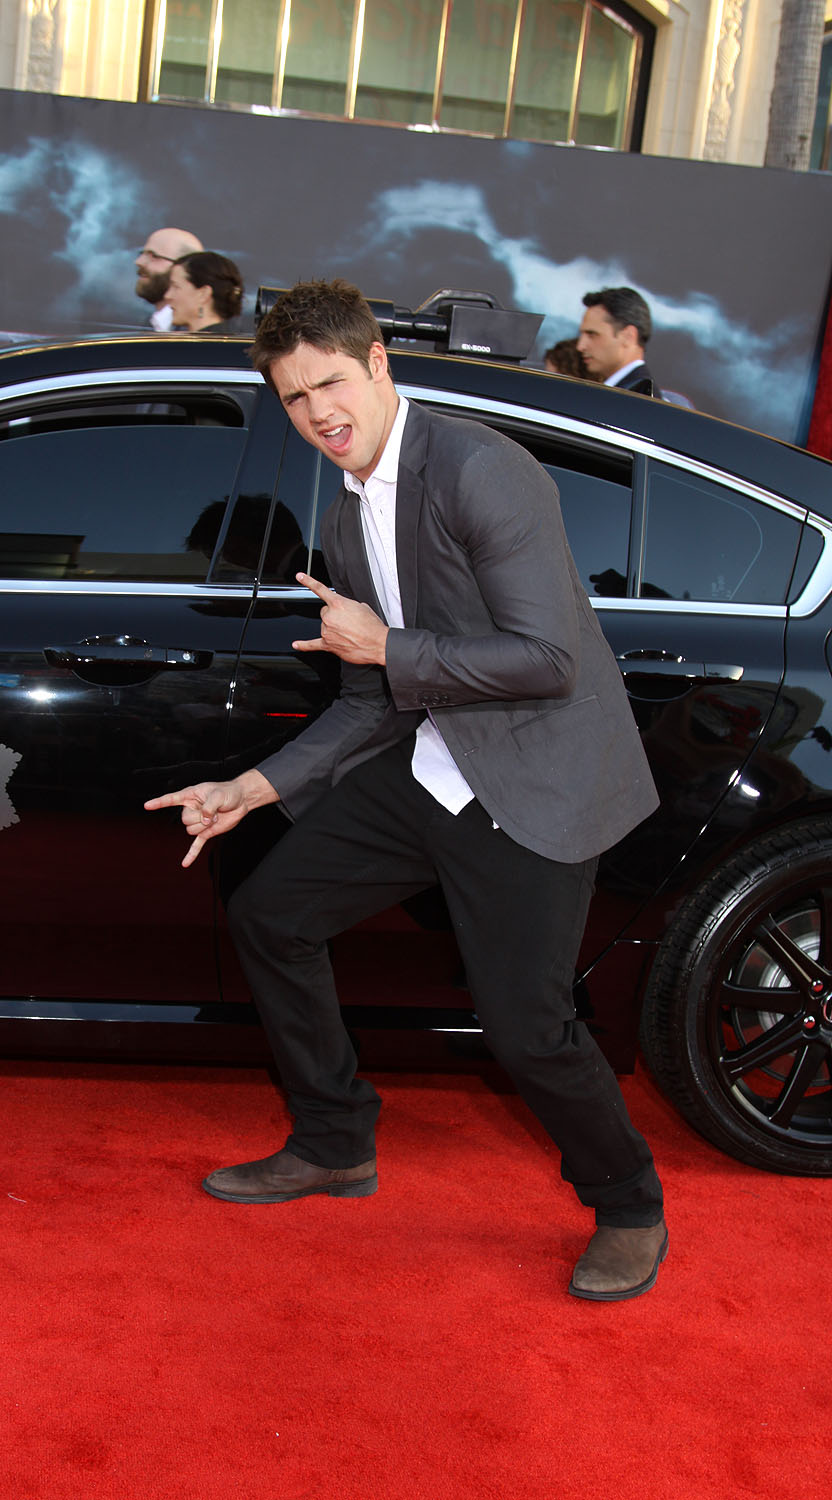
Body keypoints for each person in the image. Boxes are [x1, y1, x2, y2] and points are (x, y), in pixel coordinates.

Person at [145, 279, 668, 1302]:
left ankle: (629, 1203)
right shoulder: (345, 520)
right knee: (272, 915)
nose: (318, 413)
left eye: (331, 383)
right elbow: (370, 703)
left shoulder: (480, 470)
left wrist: (385, 645)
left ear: (378, 363)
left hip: (534, 779)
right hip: (431, 765)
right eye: (295, 398)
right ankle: (334, 1137)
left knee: (527, 1028)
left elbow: (548, 660)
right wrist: (253, 786)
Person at [576, 286, 662, 396]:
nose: (580, 346)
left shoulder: (635, 398)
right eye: (582, 334)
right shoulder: (630, 394)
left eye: (592, 334)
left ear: (628, 336)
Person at [135, 227, 204, 331]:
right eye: (142, 254)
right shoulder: (152, 324)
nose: (139, 262)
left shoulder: (200, 331)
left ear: (185, 268)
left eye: (154, 256)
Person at [161, 251, 246, 334]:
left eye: (176, 287)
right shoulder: (233, 338)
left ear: (203, 294)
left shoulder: (211, 342)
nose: (167, 295)